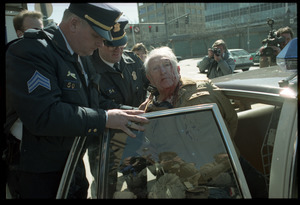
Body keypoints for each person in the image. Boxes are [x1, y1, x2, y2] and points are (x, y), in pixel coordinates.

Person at [5, 3, 149, 199]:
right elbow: (45, 115)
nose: (100, 43)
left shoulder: (81, 54)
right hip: (39, 174)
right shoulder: (32, 51)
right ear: (74, 24)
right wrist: (104, 118)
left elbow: (93, 101)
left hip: (72, 163)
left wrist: (129, 113)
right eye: (96, 36)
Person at [140, 46, 268, 198]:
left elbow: (230, 120)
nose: (163, 71)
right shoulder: (149, 113)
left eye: (167, 65)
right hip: (191, 182)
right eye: (156, 68)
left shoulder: (204, 88)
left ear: (178, 68)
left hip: (230, 168)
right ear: (149, 77)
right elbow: (154, 151)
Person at [90, 17, 149, 108]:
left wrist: (153, 99)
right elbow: (99, 103)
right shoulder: (89, 68)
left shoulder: (133, 60)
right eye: (112, 46)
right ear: (100, 43)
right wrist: (134, 112)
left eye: (121, 44)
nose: (118, 50)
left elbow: (151, 82)